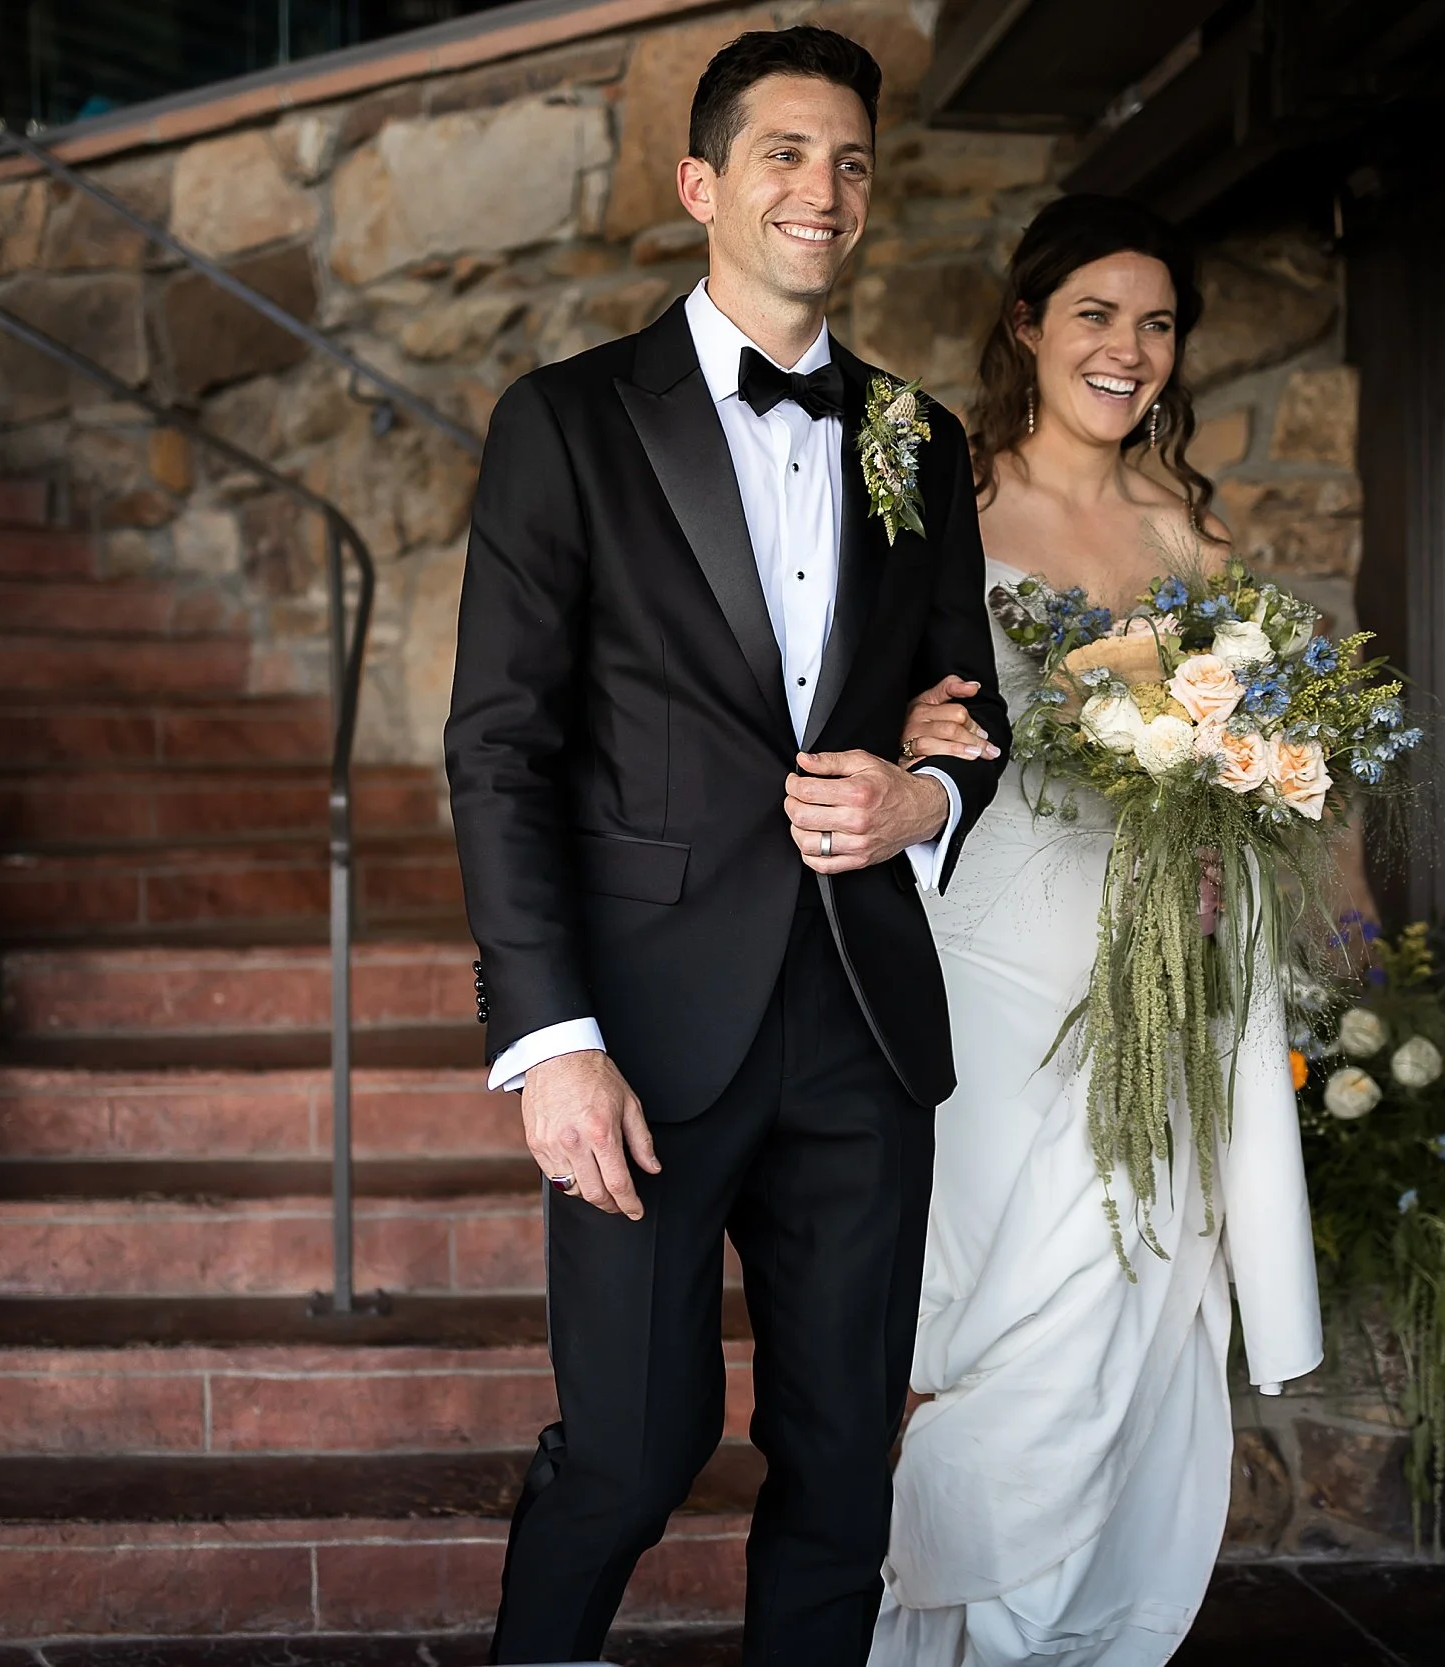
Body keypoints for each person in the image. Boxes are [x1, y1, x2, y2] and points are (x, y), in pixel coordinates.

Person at [445, 25, 1009, 1665]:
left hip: (861, 1022)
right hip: (640, 1030)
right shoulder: (563, 424)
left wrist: (927, 802)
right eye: (781, 154)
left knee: (842, 1462)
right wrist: (549, 1043)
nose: (819, 189)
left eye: (846, 160)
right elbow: (500, 751)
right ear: (701, 182)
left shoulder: (922, 440)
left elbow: (974, 712)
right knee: (632, 1449)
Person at [869, 196, 1325, 1666]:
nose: (1128, 350)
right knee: (1014, 1293)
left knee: (1139, 1274)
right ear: (1025, 324)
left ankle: (1078, 1639)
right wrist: (909, 722)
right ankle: (958, 1616)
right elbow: (868, 706)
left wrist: (1245, 795)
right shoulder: (949, 501)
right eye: (1095, 314)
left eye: (1157, 322)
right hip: (996, 956)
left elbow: (1247, 738)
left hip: (1162, 961)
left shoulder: (1186, 524)